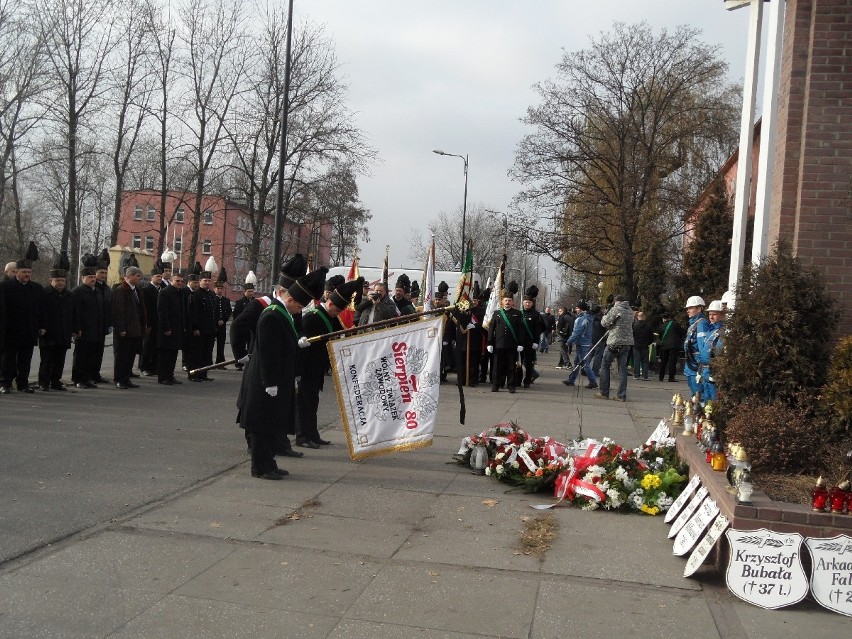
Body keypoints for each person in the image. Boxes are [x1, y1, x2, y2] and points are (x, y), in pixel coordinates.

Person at [238, 268, 327, 479]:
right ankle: (260, 467)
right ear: (289, 297)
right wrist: (270, 381)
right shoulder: (271, 315)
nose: (299, 311)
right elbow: (268, 352)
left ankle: (270, 461)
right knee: (262, 424)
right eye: (299, 305)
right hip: (266, 381)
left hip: (279, 378)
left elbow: (285, 346)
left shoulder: (283, 314)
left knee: (273, 423)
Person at [230, 254, 308, 458]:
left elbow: (297, 329)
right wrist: (241, 354)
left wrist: (301, 339)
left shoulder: (293, 307)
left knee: (279, 407)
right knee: (257, 408)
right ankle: (255, 445)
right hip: (260, 361)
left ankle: (280, 443)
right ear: (282, 291)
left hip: (281, 364)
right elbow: (238, 326)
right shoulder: (262, 305)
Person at [295, 277, 361, 448]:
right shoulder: (313, 317)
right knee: (305, 403)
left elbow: (340, 334)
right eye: (337, 310)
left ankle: (313, 434)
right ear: (330, 304)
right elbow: (303, 345)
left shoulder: (330, 317)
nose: (338, 314)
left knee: (313, 401)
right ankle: (302, 437)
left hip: (318, 367)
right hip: (307, 367)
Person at [0, 244, 45, 394]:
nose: (27, 274)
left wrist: (41, 325)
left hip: (29, 329)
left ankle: (23, 383)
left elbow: (41, 310)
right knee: (9, 359)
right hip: (11, 330)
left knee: (25, 360)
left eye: (29, 272)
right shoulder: (5, 287)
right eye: (24, 272)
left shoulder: (36, 289)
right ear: (16, 272)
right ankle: (5, 383)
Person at [37, 263, 74, 391]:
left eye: (63, 280)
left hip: (63, 332)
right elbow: (40, 312)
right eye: (58, 280)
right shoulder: (44, 294)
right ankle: (43, 382)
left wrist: (74, 329)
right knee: (47, 360)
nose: (60, 283)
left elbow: (73, 314)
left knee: (60, 360)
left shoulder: (69, 296)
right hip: (49, 333)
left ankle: (55, 381)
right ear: (51, 280)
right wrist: (41, 327)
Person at [111, 266, 147, 389]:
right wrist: (121, 328)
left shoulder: (137, 290)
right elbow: (118, 311)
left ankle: (126, 378)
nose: (140, 278)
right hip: (125, 330)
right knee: (122, 356)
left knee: (130, 356)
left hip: (135, 329)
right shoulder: (120, 290)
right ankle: (119, 379)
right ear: (130, 276)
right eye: (137, 276)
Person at [71, 259, 104, 389]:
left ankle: (86, 378)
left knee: (90, 356)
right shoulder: (77, 292)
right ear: (83, 278)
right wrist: (76, 328)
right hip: (83, 330)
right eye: (89, 277)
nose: (92, 279)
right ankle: (78, 379)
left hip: (95, 330)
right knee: (80, 356)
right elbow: (76, 312)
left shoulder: (96, 291)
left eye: (93, 277)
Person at [596, 294, 634, 402]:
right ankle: (621, 395)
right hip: (627, 343)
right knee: (622, 369)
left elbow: (604, 323)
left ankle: (604, 392)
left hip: (614, 341)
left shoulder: (615, 309)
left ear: (617, 301)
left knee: (605, 364)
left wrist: (605, 315)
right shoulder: (630, 311)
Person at [487, 289, 523, 393]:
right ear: (502, 301)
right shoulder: (497, 313)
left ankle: (511, 385)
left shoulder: (517, 314)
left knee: (511, 366)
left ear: (512, 302)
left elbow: (520, 330)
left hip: (511, 345)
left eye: (509, 300)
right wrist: (489, 343)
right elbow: (491, 329)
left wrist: (520, 343)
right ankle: (496, 385)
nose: (507, 302)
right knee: (497, 367)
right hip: (499, 344)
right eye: (506, 300)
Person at [156, 271, 186, 385]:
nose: (179, 283)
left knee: (173, 354)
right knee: (165, 355)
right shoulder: (165, 292)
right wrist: (166, 328)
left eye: (181, 281)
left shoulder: (180, 293)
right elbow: (162, 312)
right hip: (166, 330)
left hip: (177, 329)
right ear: (172, 281)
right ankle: (163, 377)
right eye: (177, 281)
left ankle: (170, 375)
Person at [561, 301, 597, 389]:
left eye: (577, 308)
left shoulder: (581, 319)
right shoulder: (588, 318)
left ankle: (593, 381)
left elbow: (577, 332)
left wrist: (569, 341)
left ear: (581, 309)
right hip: (584, 343)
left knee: (585, 363)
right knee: (577, 362)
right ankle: (571, 380)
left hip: (582, 343)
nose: (576, 309)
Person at [140, 266, 165, 376]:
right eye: (157, 276)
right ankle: (144, 366)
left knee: (157, 346)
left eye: (161, 276)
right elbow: (145, 309)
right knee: (147, 346)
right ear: (152, 277)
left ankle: (154, 367)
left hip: (159, 323)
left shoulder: (163, 290)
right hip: (150, 323)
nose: (160, 278)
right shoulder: (146, 290)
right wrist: (146, 324)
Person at [92, 249, 112, 384]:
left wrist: (109, 323)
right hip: (91, 325)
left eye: (105, 272)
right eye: (101, 273)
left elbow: (109, 307)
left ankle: (95, 373)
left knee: (99, 352)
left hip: (102, 325)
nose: (103, 275)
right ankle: (85, 375)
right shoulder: (92, 287)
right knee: (88, 353)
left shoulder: (106, 288)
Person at [683, 295, 710, 398]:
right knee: (694, 390)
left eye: (691, 308)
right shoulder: (694, 323)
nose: (688, 311)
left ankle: (699, 412)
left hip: (696, 363)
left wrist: (700, 364)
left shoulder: (701, 324)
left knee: (698, 392)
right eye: (687, 308)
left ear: (699, 308)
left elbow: (702, 345)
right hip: (691, 362)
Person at [699, 300, 726, 401]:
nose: (711, 317)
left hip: (713, 370)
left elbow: (720, 351)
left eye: (714, 314)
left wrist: (716, 370)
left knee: (714, 399)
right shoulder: (711, 330)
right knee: (705, 399)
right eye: (710, 314)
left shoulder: (723, 331)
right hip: (705, 370)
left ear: (722, 315)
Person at [518, 286, 543, 388]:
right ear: (523, 302)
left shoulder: (536, 314)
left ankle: (527, 381)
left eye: (529, 302)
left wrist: (536, 342)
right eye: (526, 302)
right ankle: (517, 380)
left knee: (529, 364)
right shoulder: (519, 313)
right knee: (518, 363)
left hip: (530, 343)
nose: (527, 304)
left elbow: (538, 329)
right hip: (520, 343)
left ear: (532, 304)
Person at [231, 283, 255, 369]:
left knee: (251, 346)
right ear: (244, 292)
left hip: (251, 328)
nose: (251, 293)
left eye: (252, 291)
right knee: (241, 345)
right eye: (249, 291)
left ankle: (250, 363)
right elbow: (236, 316)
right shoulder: (240, 302)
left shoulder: (255, 301)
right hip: (242, 328)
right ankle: (239, 364)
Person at [656, 312, 684, 383]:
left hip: (665, 346)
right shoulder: (674, 324)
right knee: (672, 362)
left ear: (663, 319)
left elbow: (660, 337)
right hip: (674, 345)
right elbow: (682, 332)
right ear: (669, 318)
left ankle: (661, 377)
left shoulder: (661, 327)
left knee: (664, 361)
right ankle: (671, 377)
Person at [212, 279, 232, 366]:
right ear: (214, 289)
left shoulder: (226, 300)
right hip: (213, 325)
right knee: (210, 345)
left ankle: (220, 362)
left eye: (220, 288)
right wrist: (217, 320)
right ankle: (208, 362)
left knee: (221, 345)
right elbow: (211, 312)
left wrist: (223, 320)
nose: (219, 290)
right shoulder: (211, 298)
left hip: (222, 325)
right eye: (217, 288)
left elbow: (228, 312)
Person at [631, 311, 653, 381]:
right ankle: (645, 376)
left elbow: (631, 335)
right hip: (645, 346)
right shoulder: (648, 326)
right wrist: (648, 343)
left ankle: (636, 375)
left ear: (637, 317)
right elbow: (651, 337)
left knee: (636, 360)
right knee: (645, 361)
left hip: (636, 345)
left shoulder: (634, 325)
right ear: (644, 317)